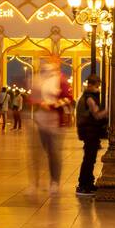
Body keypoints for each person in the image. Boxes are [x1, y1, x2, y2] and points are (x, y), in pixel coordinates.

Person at [30, 56, 71, 194]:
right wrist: (40, 103)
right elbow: (33, 97)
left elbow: (68, 98)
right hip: (41, 121)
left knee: (54, 152)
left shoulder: (61, 79)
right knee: (43, 152)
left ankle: (55, 181)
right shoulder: (39, 79)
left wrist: (53, 105)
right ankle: (36, 183)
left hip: (56, 122)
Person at [75, 75, 108, 196]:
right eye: (97, 86)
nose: (98, 89)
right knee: (89, 159)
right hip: (90, 131)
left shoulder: (86, 96)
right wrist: (108, 111)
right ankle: (84, 185)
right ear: (91, 85)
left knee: (90, 159)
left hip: (89, 131)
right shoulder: (89, 98)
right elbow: (97, 115)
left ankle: (88, 182)